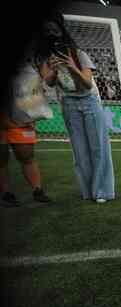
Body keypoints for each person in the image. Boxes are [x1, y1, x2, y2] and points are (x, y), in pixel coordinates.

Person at [38, 13, 114, 202]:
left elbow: (87, 83)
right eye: (47, 31)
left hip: (89, 101)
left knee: (99, 148)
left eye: (54, 30)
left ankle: (102, 191)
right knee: (80, 151)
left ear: (62, 30)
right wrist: (55, 69)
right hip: (69, 103)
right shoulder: (45, 58)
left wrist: (71, 66)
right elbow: (48, 82)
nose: (51, 34)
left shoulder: (79, 54)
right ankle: (88, 192)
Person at [0, 59, 52, 206]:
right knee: (1, 157)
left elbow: (33, 94)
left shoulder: (27, 69)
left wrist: (32, 115)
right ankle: (6, 194)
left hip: (20, 118)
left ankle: (38, 190)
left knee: (26, 154)